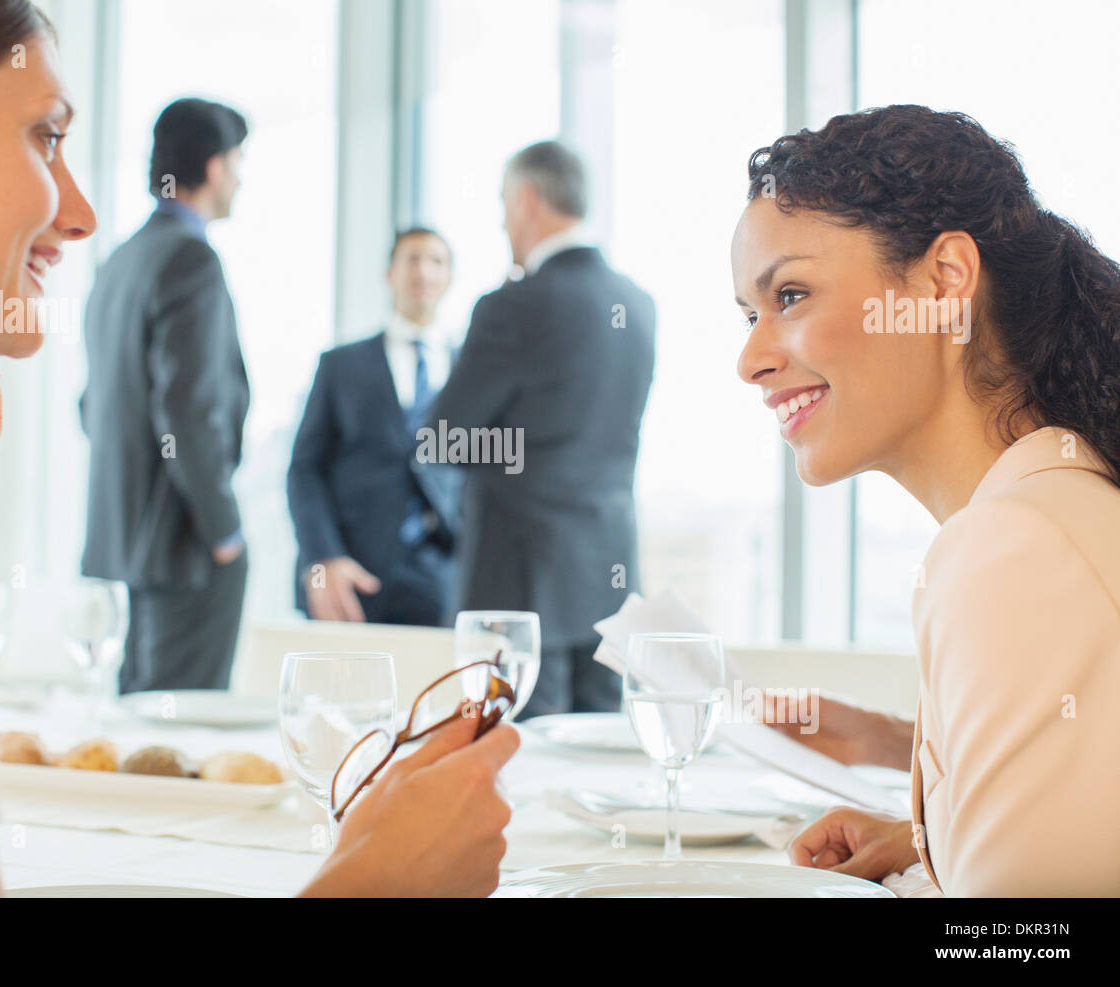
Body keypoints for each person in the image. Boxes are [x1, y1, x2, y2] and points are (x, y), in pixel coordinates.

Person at [0, 0, 518, 898]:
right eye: (44, 137)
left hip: (115, 538)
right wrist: (371, 882)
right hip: (182, 543)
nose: (78, 213)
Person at [732, 104, 1120, 896]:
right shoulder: (1049, 508)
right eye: (749, 314)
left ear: (945, 281)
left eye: (792, 296)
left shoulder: (1015, 547)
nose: (751, 359)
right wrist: (931, 837)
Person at [429, 140, 655, 718]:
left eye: (504, 202)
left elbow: (442, 438)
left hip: (522, 580)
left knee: (524, 761)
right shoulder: (637, 303)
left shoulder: (513, 304)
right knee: (598, 757)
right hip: (610, 574)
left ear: (528, 199)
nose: (502, 220)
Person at [80, 98, 251, 695]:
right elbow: (186, 411)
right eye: (235, 163)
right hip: (182, 543)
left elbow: (91, 405)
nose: (239, 178)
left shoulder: (119, 263)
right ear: (210, 166)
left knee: (140, 728)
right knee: (186, 735)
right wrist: (223, 529)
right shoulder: (190, 260)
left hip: (122, 540)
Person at [288, 227, 461, 625]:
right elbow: (304, 470)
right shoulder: (341, 366)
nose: (423, 271)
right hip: (352, 578)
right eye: (411, 259)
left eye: (436, 261)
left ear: (449, 278)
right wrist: (322, 559)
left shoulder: (470, 367)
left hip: (442, 580)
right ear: (389, 273)